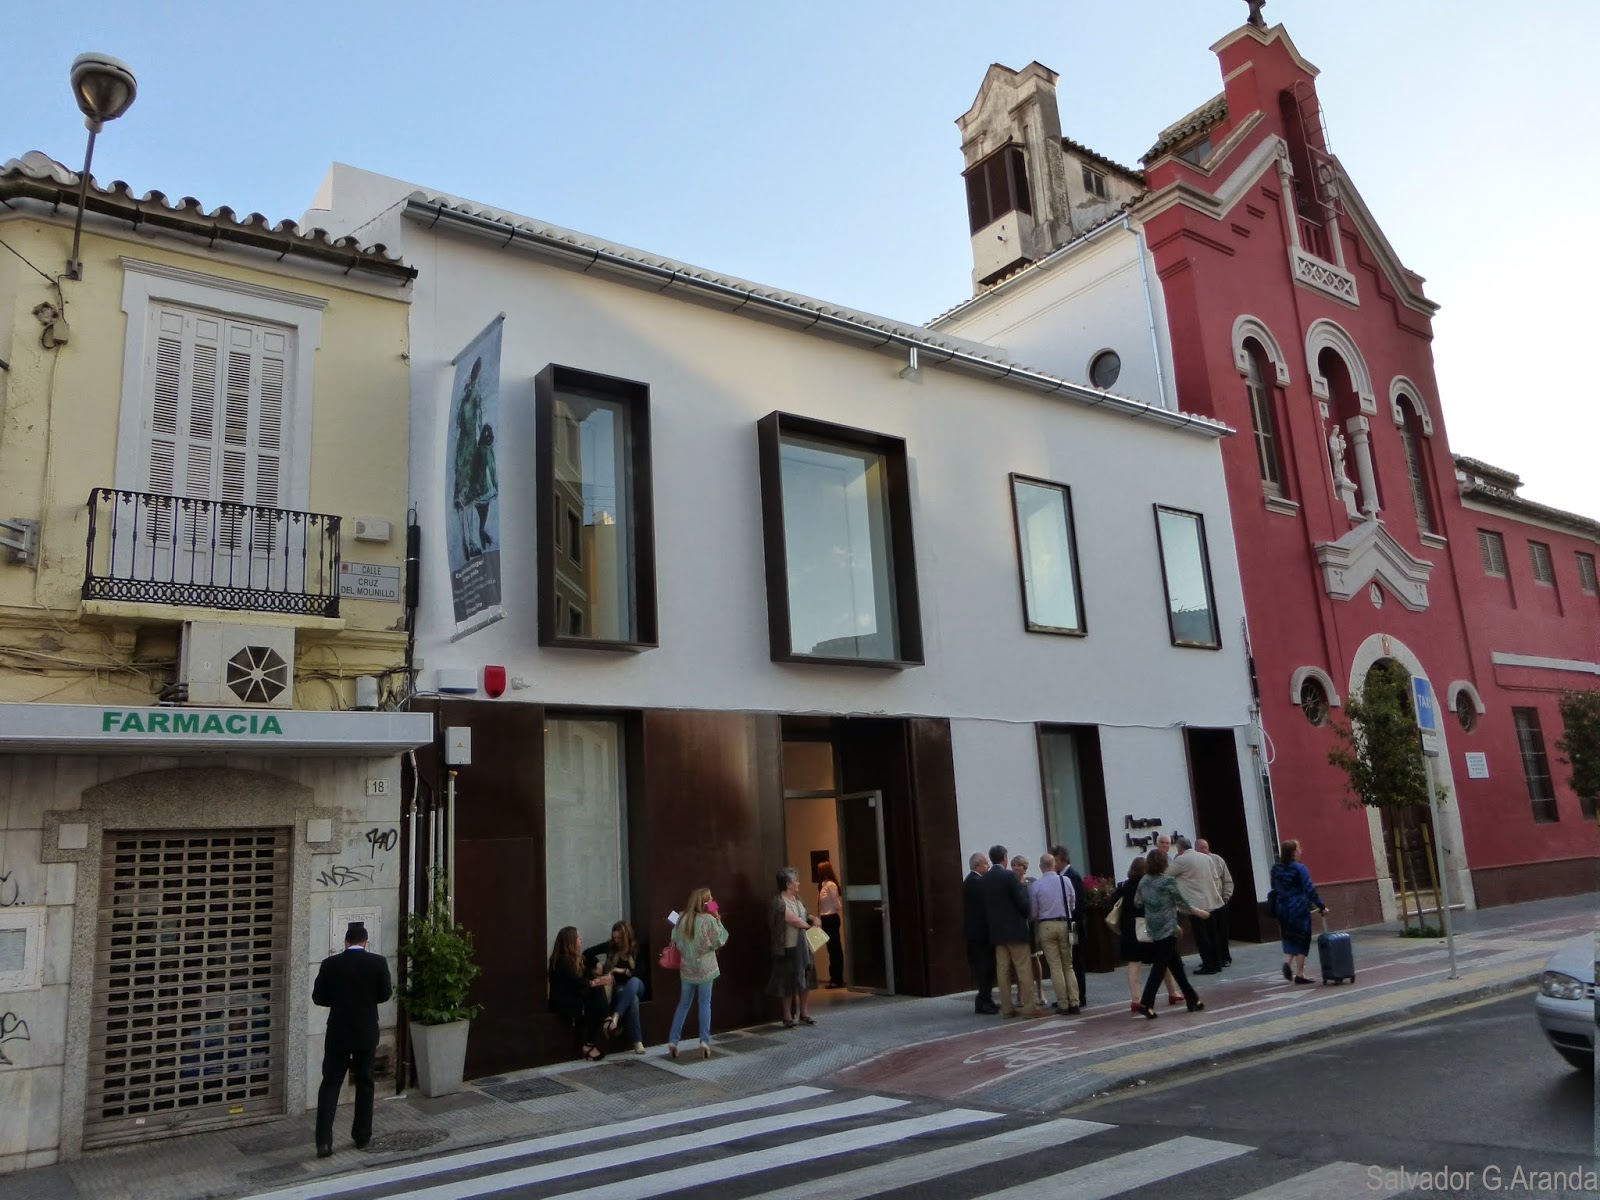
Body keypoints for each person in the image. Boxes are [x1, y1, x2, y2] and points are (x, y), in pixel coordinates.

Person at [313, 921, 392, 1158]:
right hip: (366, 1030)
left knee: (330, 1083)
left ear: (345, 942)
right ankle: (362, 1136)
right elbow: (385, 994)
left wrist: (338, 1001)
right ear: (366, 942)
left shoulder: (330, 964)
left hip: (338, 1031)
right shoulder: (378, 962)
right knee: (365, 1082)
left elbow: (318, 997)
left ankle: (324, 1142)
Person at [1135, 848, 1207, 1018]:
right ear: (1164, 863)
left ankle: (1192, 999)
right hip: (1168, 928)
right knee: (1159, 967)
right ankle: (1146, 1002)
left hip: (1153, 928)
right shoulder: (1168, 881)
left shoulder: (1144, 881)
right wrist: (1199, 912)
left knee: (1176, 966)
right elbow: (1182, 903)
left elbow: (1137, 902)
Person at [1114, 856, 1182, 1012]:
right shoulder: (1149, 885)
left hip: (1130, 929)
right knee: (1162, 960)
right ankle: (1173, 992)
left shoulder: (1123, 885)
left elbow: (1113, 903)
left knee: (1134, 963)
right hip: (1151, 926)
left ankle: (1135, 999)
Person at [983, 845, 1043, 1019]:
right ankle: (1030, 1008)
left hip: (997, 931)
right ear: (1005, 858)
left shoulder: (985, 878)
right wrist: (1028, 912)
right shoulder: (1009, 876)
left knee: (1002, 971)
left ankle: (1007, 1009)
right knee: (1023, 969)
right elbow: (1022, 902)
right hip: (1015, 930)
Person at [667, 887, 727, 1058]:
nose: (713, 900)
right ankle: (704, 1041)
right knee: (704, 1003)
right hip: (706, 968)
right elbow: (720, 939)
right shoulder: (709, 919)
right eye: (711, 899)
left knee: (683, 1004)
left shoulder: (682, 918)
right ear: (706, 903)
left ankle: (673, 1040)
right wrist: (718, 920)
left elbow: (674, 938)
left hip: (687, 969)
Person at [767, 868, 820, 1027]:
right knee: (787, 983)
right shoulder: (779, 902)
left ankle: (804, 1013)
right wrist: (811, 927)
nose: (798, 883)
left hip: (803, 946)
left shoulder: (798, 899)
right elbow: (794, 920)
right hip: (788, 948)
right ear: (788, 884)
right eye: (795, 881)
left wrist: (813, 918)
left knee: (805, 980)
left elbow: (805, 914)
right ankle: (787, 1016)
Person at [1270, 839, 1328, 984]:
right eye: (1298, 848)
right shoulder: (1299, 868)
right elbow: (1309, 889)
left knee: (1289, 936)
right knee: (1302, 938)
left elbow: (1274, 886)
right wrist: (1321, 906)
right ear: (1294, 852)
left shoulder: (1275, 869)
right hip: (1298, 907)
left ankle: (1287, 962)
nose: (1300, 850)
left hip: (1282, 907)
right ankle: (1300, 974)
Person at [1029, 853, 1080, 1014]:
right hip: (1065, 923)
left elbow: (1033, 911)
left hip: (1046, 924)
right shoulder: (1065, 881)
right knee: (1068, 965)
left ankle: (1063, 1003)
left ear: (1040, 867)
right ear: (1054, 865)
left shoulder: (1036, 885)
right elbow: (1073, 904)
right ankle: (1074, 1001)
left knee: (1055, 966)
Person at [548, 926, 609, 1061]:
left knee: (597, 996)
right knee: (596, 997)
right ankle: (605, 1023)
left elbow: (587, 967)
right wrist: (596, 982)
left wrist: (597, 968)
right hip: (565, 1003)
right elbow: (577, 982)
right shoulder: (563, 961)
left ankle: (602, 1026)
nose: (581, 939)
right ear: (570, 941)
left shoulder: (575, 959)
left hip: (574, 998)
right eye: (577, 937)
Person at [1170, 836, 1225, 974]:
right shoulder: (1207, 858)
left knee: (1201, 936)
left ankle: (1208, 965)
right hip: (1211, 902)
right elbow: (1215, 877)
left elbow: (1166, 874)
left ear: (1179, 848)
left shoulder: (1181, 860)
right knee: (1213, 934)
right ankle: (1217, 963)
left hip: (1195, 905)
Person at [596, 920, 647, 1055]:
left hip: (637, 985)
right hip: (619, 988)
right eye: (615, 938)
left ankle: (616, 1016)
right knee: (633, 1000)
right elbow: (588, 952)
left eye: (619, 938)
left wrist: (623, 971)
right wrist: (597, 964)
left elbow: (642, 972)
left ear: (626, 937)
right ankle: (637, 1042)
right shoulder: (611, 947)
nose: (616, 941)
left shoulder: (636, 949)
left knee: (634, 981)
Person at [1050, 844, 1089, 1008]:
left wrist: (1072, 922)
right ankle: (1068, 995)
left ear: (1063, 860)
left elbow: (1078, 904)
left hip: (1073, 925)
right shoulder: (1060, 877)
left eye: (1055, 861)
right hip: (1064, 925)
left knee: (1076, 962)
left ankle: (1079, 995)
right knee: (1067, 961)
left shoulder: (1072, 876)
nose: (1054, 864)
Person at [962, 852, 998, 1014]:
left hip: (980, 933)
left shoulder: (974, 881)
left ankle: (987, 999)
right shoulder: (975, 882)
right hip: (980, 934)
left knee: (988, 968)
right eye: (985, 864)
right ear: (978, 865)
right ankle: (983, 1001)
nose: (988, 867)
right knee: (984, 968)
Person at [1196, 839, 1234, 967]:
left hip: (1219, 902)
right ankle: (1211, 960)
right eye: (1201, 848)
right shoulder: (1195, 863)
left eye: (1206, 847)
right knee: (1207, 934)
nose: (1204, 850)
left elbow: (1228, 881)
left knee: (1221, 932)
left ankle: (1225, 957)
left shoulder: (1217, 860)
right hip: (1204, 904)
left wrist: (1225, 897)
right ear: (1196, 850)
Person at [816, 860, 844, 989]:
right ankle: (834, 977)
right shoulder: (823, 885)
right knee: (831, 948)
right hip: (826, 918)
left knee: (834, 948)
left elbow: (836, 904)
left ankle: (837, 979)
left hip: (831, 918)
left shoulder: (831, 885)